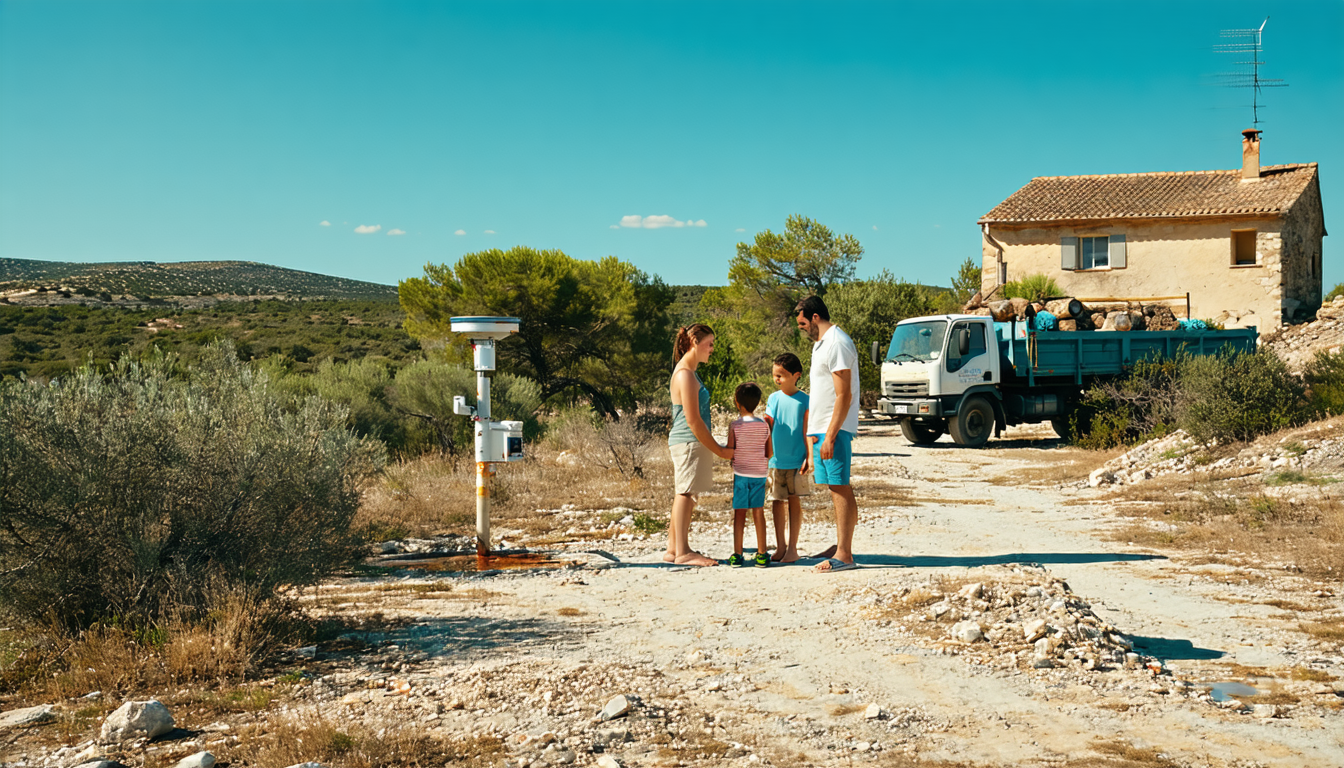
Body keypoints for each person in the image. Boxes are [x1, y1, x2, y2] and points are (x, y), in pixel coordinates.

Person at [795, 295, 861, 573]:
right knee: (836, 485)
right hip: (822, 429)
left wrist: (831, 435)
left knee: (839, 485)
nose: (801, 329)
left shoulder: (836, 343)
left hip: (834, 429)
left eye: (802, 323)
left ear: (814, 318)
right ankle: (841, 546)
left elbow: (843, 394)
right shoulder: (822, 344)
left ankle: (844, 555)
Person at [665, 324, 733, 566]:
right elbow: (693, 420)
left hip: (688, 442)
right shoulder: (685, 374)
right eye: (710, 344)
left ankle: (674, 548)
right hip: (688, 442)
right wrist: (721, 450)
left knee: (685, 493)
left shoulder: (689, 372)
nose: (712, 349)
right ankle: (682, 553)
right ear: (695, 341)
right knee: (685, 493)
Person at [764, 352, 810, 563]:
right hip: (776, 461)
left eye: (781, 375)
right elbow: (768, 425)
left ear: (796, 375)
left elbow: (807, 431)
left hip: (797, 460)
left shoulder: (805, 401)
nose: (777, 379)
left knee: (794, 502)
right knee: (776, 501)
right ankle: (780, 546)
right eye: (775, 375)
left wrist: (809, 457)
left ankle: (793, 549)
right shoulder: (773, 398)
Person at [725, 382, 772, 568]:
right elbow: (769, 452)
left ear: (737, 402)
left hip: (740, 473)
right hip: (759, 474)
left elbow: (730, 450)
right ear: (758, 402)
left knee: (739, 513)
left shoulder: (734, 425)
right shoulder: (764, 425)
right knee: (758, 511)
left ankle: (737, 554)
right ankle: (761, 554)